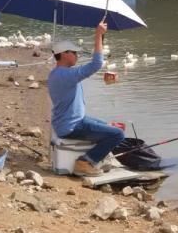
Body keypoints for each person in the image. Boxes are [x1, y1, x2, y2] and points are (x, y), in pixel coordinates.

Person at [48, 21, 124, 176]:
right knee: (118, 134)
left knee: (107, 125)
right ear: (64, 54)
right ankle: (85, 162)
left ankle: (99, 157)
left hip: (66, 122)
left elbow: (87, 70)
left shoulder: (57, 74)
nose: (77, 55)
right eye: (74, 53)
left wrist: (101, 40)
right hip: (72, 126)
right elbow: (96, 64)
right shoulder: (67, 75)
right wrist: (98, 34)